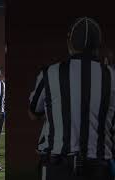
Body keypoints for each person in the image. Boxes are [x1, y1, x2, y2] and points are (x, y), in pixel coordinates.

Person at [28, 17, 115, 180]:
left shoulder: (51, 73)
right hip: (98, 168)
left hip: (57, 166)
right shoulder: (111, 76)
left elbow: (33, 113)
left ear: (70, 42)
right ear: (98, 45)